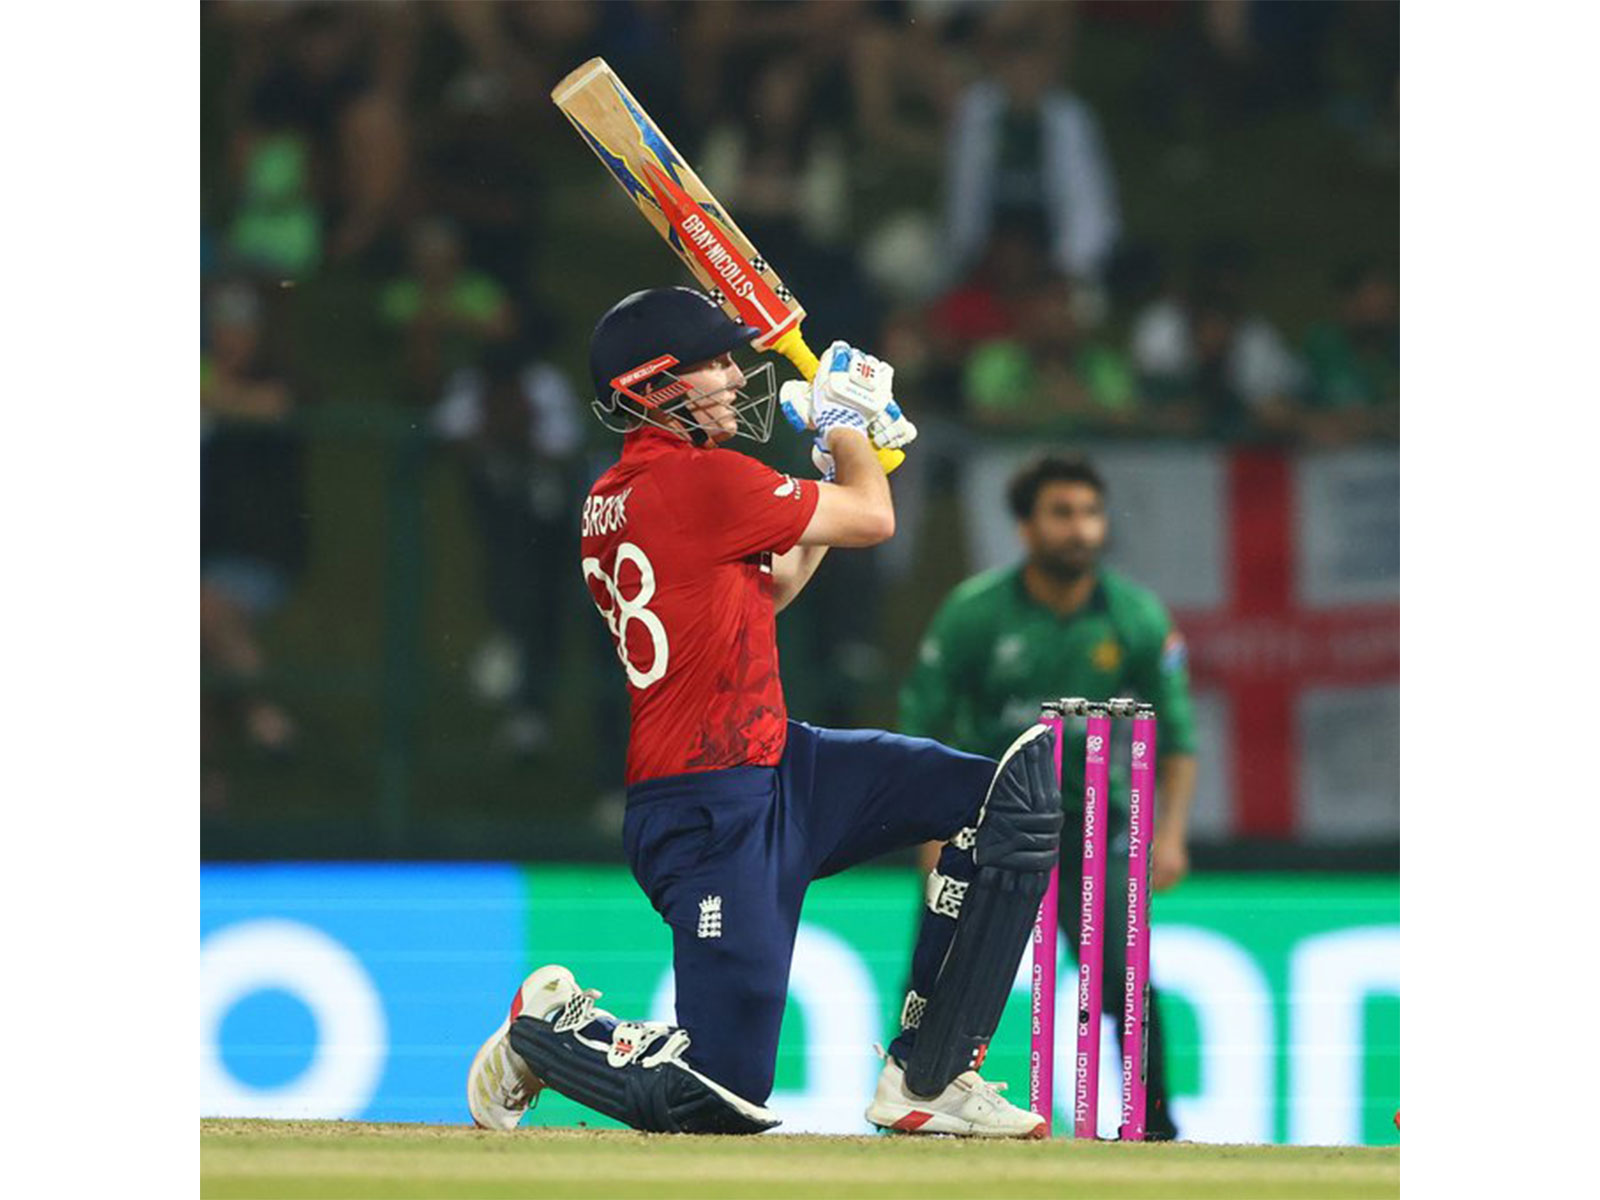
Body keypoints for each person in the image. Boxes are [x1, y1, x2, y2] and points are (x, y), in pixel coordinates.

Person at [467, 286, 1063, 1137]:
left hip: (781, 763)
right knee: (719, 1096)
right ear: (656, 385)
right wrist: (846, 431)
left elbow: (771, 586)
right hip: (706, 807)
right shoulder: (701, 480)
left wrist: (829, 462)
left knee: (1007, 800)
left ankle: (929, 1077)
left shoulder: (627, 488)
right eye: (713, 362)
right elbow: (874, 517)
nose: (735, 374)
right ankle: (546, 1029)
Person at [899, 453, 1199, 1141]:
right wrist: (932, 838)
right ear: (1026, 528)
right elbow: (922, 728)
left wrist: (1173, 835)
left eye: (1090, 513)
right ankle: (914, 1108)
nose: (1081, 530)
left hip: (1093, 825)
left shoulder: (1134, 616)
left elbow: (1177, 737)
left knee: (1126, 980)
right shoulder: (976, 613)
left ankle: (1154, 1125)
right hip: (988, 825)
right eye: (1062, 514)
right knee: (940, 977)